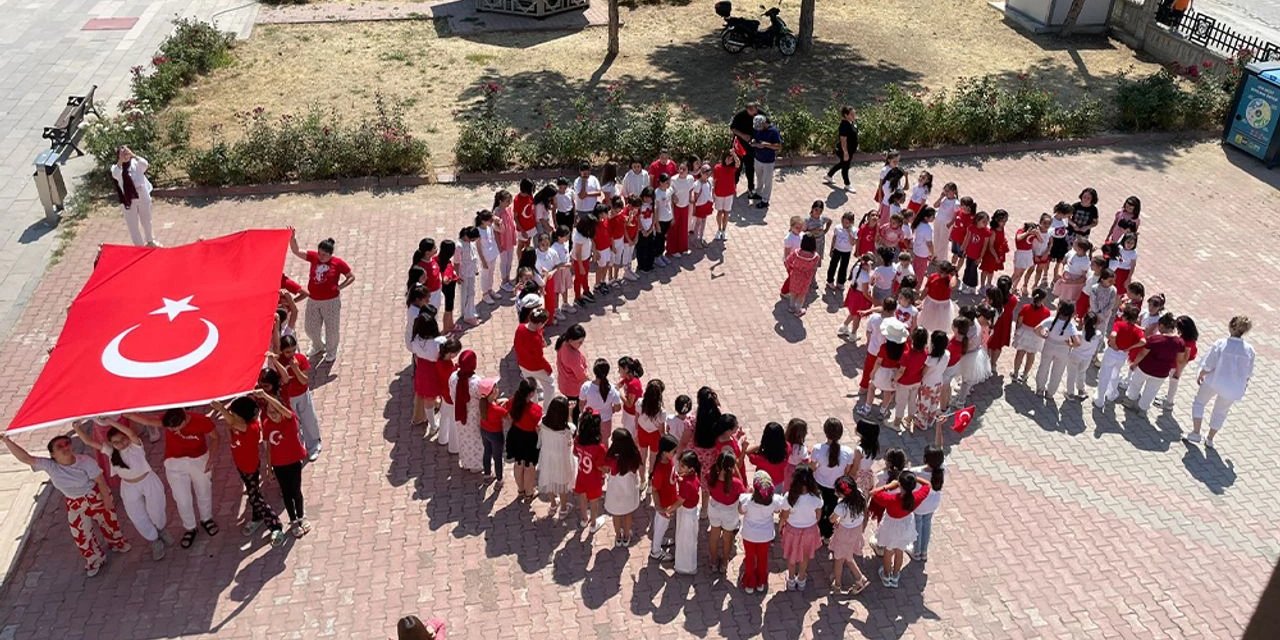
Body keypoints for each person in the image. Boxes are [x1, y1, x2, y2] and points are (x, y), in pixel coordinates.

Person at [1, 433, 130, 576]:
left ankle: (117, 543)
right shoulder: (50, 466)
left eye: (67, 444)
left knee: (109, 523)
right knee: (80, 534)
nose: (65, 448)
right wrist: (7, 441)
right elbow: (26, 458)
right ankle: (95, 559)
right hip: (74, 502)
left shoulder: (85, 461)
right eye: (60, 446)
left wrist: (107, 500)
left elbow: (100, 481)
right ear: (53, 454)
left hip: (95, 495)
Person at [72, 418, 172, 559]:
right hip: (128, 486)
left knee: (157, 509)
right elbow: (89, 442)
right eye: (116, 442)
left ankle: (161, 529)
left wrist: (110, 423)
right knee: (137, 515)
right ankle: (153, 539)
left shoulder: (136, 446)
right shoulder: (111, 452)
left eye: (123, 439)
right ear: (111, 444)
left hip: (148, 481)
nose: (121, 443)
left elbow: (131, 433)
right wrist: (77, 429)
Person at [127, 407, 219, 549]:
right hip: (174, 463)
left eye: (177, 427)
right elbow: (146, 420)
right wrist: (123, 412)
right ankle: (190, 527)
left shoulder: (201, 421)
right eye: (170, 429)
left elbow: (215, 437)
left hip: (200, 459)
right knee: (182, 498)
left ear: (184, 418)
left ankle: (206, 519)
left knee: (204, 491)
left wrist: (211, 458)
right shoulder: (167, 419)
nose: (174, 431)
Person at [209, 396, 287, 546]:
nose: (231, 416)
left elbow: (231, 421)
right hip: (241, 466)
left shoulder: (251, 428)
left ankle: (275, 525)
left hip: (250, 467)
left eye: (235, 414)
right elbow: (231, 422)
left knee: (255, 498)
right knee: (254, 493)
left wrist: (221, 409)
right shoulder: (239, 424)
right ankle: (257, 518)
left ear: (242, 417)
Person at [1185, 316, 1254, 448]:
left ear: (1231, 326)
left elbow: (1210, 363)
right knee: (1221, 412)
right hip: (1233, 387)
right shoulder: (1249, 350)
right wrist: (1244, 385)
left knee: (1199, 403)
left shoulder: (1221, 344)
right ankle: (1210, 438)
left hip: (1214, 380)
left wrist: (1202, 373)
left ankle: (1196, 432)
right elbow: (1249, 372)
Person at [257, 373, 312, 538]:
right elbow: (267, 446)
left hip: (294, 460)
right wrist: (268, 467)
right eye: (269, 411)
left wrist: (266, 396)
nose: (273, 414)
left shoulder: (288, 419)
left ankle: (302, 516)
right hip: (279, 464)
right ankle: (293, 520)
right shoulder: (267, 424)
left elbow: (283, 410)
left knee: (296, 491)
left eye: (275, 410)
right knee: (286, 493)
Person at [289, 229, 354, 363]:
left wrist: (340, 287)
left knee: (332, 328)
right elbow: (296, 251)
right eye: (319, 253)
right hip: (313, 299)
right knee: (310, 327)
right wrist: (292, 239)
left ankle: (331, 351)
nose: (320, 257)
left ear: (331, 254)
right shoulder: (313, 257)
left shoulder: (338, 263)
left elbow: (351, 277)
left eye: (324, 255)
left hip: (331, 301)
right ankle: (318, 345)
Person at [870, 470, 931, 588]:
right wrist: (914, 478)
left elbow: (874, 493)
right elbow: (927, 485)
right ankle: (895, 576)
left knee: (888, 551)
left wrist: (889, 485)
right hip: (906, 526)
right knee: (899, 551)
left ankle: (886, 575)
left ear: (900, 485)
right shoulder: (916, 498)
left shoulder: (891, 499)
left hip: (890, 526)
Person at [270, 335, 323, 461]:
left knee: (309, 419)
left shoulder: (300, 359)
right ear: (282, 351)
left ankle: (314, 445)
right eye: (288, 351)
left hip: (302, 394)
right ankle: (300, 448)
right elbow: (282, 380)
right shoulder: (279, 361)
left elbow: (304, 380)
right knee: (294, 424)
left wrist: (296, 368)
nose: (291, 354)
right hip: (287, 398)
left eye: (294, 350)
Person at [1125, 313, 1186, 416]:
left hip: (1145, 368)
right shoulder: (1180, 342)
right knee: (1151, 391)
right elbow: (1180, 360)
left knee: (1135, 383)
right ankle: (1142, 410)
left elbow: (1142, 353)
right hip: (1162, 372)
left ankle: (1130, 401)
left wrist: (1135, 363)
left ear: (1161, 326)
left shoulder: (1154, 339)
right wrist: (1178, 372)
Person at [738, 471, 785, 593]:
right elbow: (780, 508)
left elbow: (741, 511)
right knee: (762, 558)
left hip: (749, 535)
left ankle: (749, 584)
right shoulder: (775, 500)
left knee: (749, 558)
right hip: (765, 536)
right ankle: (760, 583)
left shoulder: (747, 499)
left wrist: (748, 493)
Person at [780, 465, 824, 591]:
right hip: (810, 531)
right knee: (805, 557)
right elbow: (818, 515)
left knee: (791, 556)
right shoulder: (816, 497)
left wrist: (780, 526)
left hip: (792, 531)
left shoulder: (789, 497)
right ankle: (802, 579)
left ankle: (791, 580)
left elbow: (784, 515)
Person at [811, 418, 855, 542]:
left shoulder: (817, 449)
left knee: (819, 507)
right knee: (831, 509)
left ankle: (817, 531)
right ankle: (827, 535)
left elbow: (813, 467)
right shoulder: (848, 452)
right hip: (835, 487)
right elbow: (847, 471)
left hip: (819, 483)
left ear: (825, 432)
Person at [706, 448, 746, 574]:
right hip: (729, 512)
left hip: (714, 508)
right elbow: (743, 492)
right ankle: (724, 563)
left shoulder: (710, 476)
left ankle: (713, 562)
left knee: (714, 534)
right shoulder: (736, 484)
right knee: (727, 538)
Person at [828, 476, 870, 594]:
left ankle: (838, 585)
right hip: (856, 530)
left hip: (844, 533)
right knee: (847, 555)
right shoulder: (860, 495)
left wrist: (836, 520)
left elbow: (832, 519)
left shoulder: (841, 507)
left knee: (839, 559)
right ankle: (859, 579)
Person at [537, 396, 577, 518]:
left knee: (548, 479)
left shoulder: (543, 422)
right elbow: (572, 428)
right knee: (563, 483)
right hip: (562, 459)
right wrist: (570, 412)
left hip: (547, 456)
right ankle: (564, 509)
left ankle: (553, 504)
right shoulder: (567, 429)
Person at [110, 145, 157, 246]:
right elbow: (115, 174)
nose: (125, 155)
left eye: (126, 153)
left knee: (147, 220)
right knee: (133, 225)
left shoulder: (136, 162)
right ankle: (139, 246)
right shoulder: (116, 167)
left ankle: (150, 241)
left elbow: (145, 164)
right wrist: (121, 161)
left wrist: (133, 155)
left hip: (142, 194)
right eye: (122, 154)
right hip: (128, 199)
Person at [604, 428, 643, 546]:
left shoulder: (612, 457)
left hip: (615, 490)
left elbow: (606, 468)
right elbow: (636, 468)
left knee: (616, 514)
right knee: (627, 513)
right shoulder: (634, 455)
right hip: (629, 488)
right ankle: (626, 536)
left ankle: (618, 536)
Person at [450, 350, 486, 473]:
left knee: (464, 438)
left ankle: (466, 462)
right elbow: (482, 397)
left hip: (460, 413)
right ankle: (476, 465)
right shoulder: (476, 382)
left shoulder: (453, 377)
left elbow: (452, 393)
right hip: (474, 415)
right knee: (477, 439)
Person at [1034, 302, 1080, 399]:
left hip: (1049, 345)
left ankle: (1040, 389)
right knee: (1057, 372)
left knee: (1043, 367)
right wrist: (1070, 344)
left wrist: (1043, 336)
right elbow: (1078, 343)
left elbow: (1036, 329)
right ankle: (1050, 393)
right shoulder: (1071, 326)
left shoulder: (1050, 320)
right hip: (1063, 349)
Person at [514, 308, 556, 410]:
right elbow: (539, 359)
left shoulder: (520, 328)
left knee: (531, 387)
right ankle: (547, 409)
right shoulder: (535, 340)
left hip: (522, 364)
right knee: (550, 385)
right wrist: (548, 368)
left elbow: (517, 344)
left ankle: (534, 407)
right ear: (540, 323)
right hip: (535, 367)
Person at [574, 412, 609, 532]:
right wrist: (607, 470)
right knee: (594, 502)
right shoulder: (600, 448)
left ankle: (584, 519)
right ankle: (594, 523)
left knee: (582, 498)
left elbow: (575, 453)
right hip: (594, 479)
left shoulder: (578, 440)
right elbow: (600, 466)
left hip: (581, 475)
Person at [648, 434, 680, 561]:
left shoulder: (668, 460)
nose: (676, 453)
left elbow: (671, 474)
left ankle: (660, 540)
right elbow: (655, 490)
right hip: (664, 504)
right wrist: (659, 506)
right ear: (666, 452)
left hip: (669, 500)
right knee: (661, 526)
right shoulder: (660, 470)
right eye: (674, 451)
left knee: (662, 525)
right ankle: (655, 551)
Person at [673, 450, 703, 575]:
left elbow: (679, 501)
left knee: (684, 540)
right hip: (689, 512)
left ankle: (685, 567)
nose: (679, 468)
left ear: (690, 468)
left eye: (682, 466)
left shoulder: (687, 484)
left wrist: (669, 510)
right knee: (687, 539)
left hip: (686, 514)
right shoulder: (693, 476)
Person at [729, 102, 765, 196]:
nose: (754, 113)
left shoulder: (761, 115)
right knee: (737, 167)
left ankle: (751, 188)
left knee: (750, 167)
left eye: (755, 110)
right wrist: (743, 135)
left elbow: (767, 126)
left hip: (752, 146)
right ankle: (733, 186)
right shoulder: (740, 115)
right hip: (740, 145)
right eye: (751, 111)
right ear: (747, 110)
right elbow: (732, 128)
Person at [555, 324, 589, 421]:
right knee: (574, 412)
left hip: (564, 383)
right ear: (570, 340)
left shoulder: (563, 342)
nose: (581, 344)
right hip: (573, 389)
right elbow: (582, 377)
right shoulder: (572, 358)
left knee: (569, 406)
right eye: (579, 342)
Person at [784, 235, 821, 316]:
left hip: (795, 275)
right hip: (806, 278)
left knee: (793, 291)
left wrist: (790, 269)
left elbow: (787, 261)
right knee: (801, 294)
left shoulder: (796, 252)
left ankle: (791, 307)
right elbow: (814, 267)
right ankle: (798, 310)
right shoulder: (815, 256)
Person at [749, 115, 782, 209]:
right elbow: (754, 138)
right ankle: (758, 193)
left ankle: (765, 200)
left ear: (764, 123)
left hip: (768, 161)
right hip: (758, 158)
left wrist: (766, 145)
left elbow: (778, 146)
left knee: (767, 181)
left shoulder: (773, 131)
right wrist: (753, 142)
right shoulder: (757, 129)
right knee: (759, 178)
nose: (758, 130)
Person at [579, 359, 623, 428]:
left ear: (594, 371)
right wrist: (611, 410)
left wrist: (583, 414)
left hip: (589, 421)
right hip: (605, 421)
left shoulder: (586, 387)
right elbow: (618, 408)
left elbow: (581, 404)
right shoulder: (613, 389)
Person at [477, 378, 506, 481]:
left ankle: (487, 475)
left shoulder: (481, 403)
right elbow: (508, 415)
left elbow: (492, 405)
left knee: (487, 452)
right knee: (498, 457)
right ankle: (499, 480)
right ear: (494, 391)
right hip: (496, 435)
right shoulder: (498, 410)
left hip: (484, 431)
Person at [824, 106, 859, 191]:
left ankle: (829, 176)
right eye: (852, 114)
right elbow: (843, 140)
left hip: (850, 150)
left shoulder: (851, 122)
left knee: (842, 164)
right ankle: (847, 184)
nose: (854, 115)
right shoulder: (844, 125)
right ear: (846, 115)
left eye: (854, 113)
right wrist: (845, 152)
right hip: (844, 150)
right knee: (845, 167)